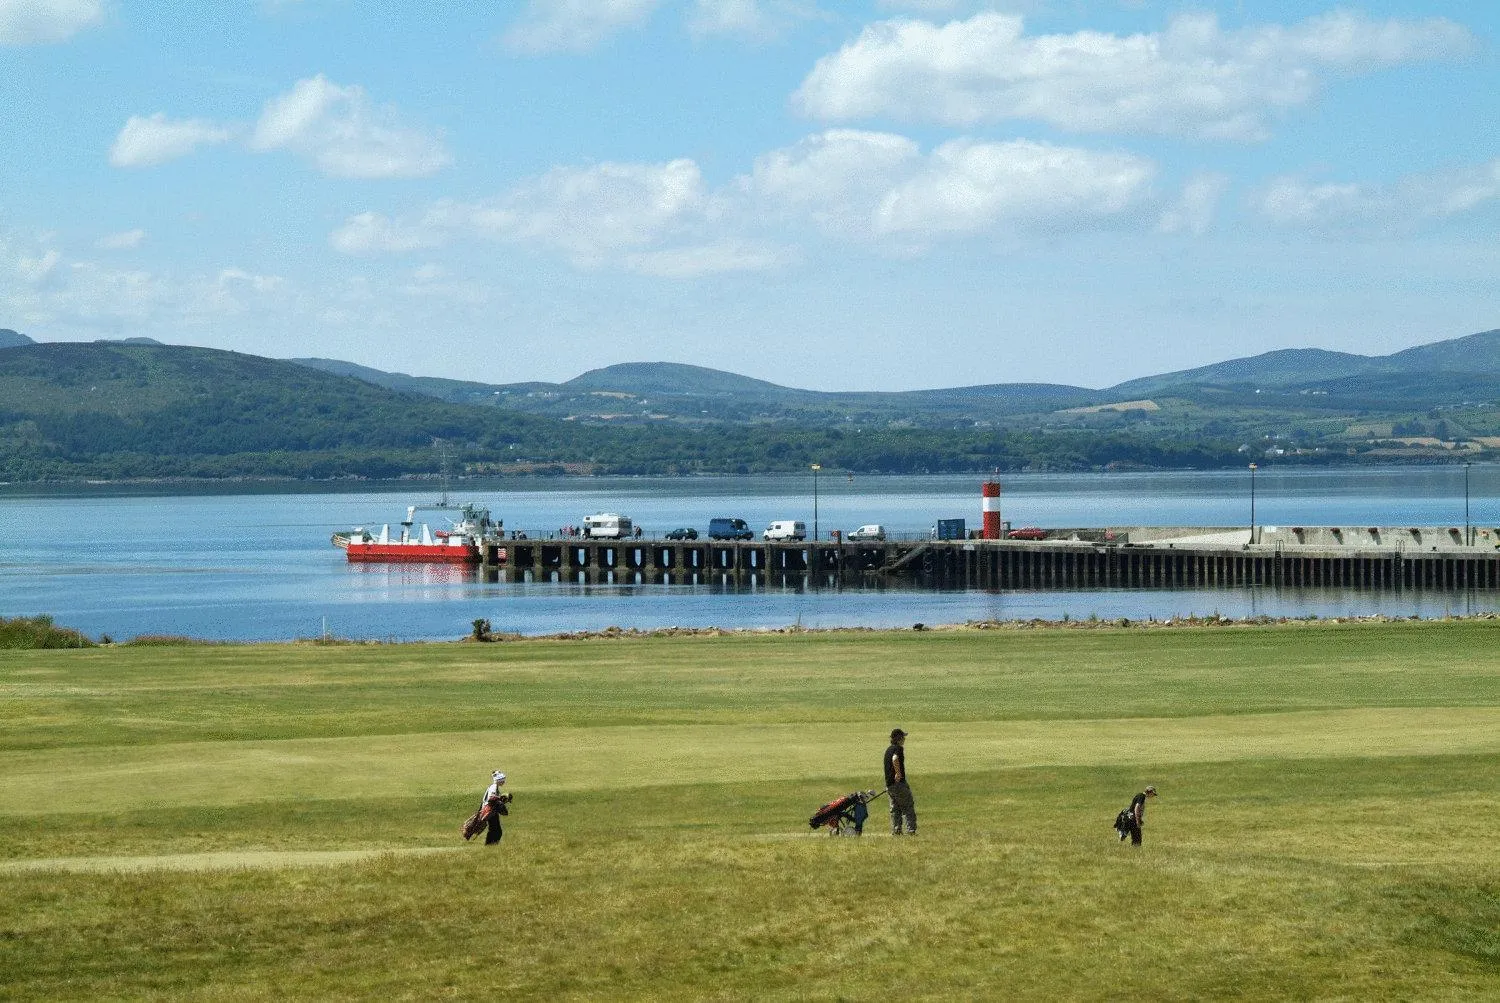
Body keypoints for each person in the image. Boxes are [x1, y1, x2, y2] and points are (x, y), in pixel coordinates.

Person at [884, 728, 916, 835]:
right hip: (898, 784)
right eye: (903, 737)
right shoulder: (898, 748)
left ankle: (896, 830)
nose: (904, 739)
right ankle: (911, 830)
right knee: (907, 806)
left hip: (889, 785)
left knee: (895, 808)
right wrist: (898, 772)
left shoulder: (888, 750)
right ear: (899, 739)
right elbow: (895, 758)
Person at [481, 770, 510, 845]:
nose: (503, 782)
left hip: (491, 811)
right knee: (496, 830)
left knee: (495, 829)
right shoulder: (494, 787)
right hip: (490, 811)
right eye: (502, 780)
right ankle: (490, 845)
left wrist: (501, 800)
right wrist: (501, 797)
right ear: (498, 780)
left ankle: (491, 845)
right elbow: (491, 798)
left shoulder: (495, 786)